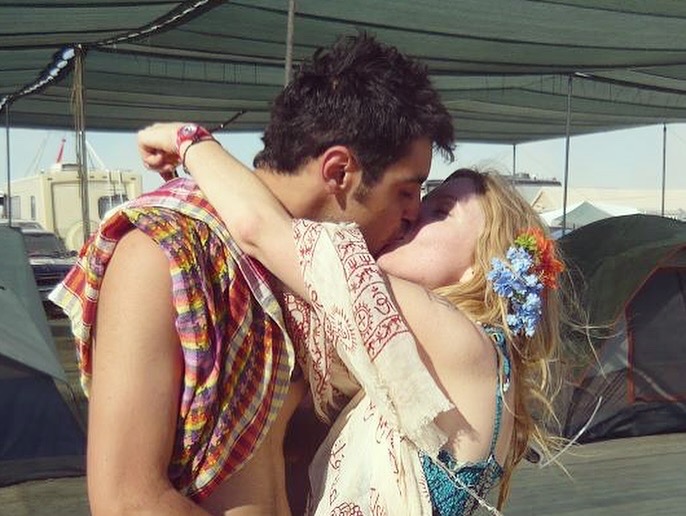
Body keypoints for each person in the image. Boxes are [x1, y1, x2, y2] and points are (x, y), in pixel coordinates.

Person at [49, 33, 454, 515]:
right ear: (339, 171)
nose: (413, 213)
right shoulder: (166, 252)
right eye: (406, 191)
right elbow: (128, 501)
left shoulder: (311, 280)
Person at [136, 122, 566, 515]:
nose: (413, 215)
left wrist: (190, 142)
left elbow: (263, 230)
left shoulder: (460, 341)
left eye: (440, 211)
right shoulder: (453, 356)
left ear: (480, 268)